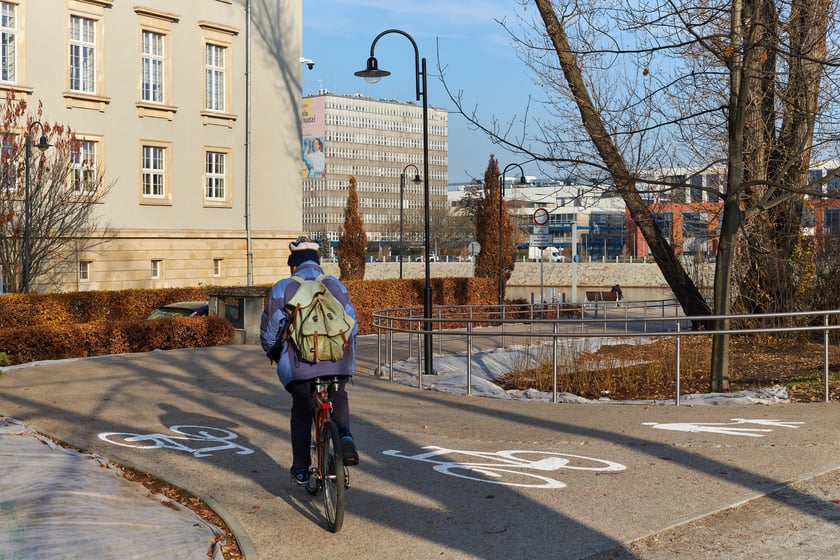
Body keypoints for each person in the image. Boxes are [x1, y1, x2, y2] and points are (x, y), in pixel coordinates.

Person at [260, 236, 359, 489]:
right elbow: (352, 324)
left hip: (300, 366)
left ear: (293, 265)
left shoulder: (283, 287)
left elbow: (272, 329)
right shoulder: (335, 285)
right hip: (338, 361)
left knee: (302, 410)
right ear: (318, 263)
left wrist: (273, 352)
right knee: (338, 394)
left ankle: (302, 469)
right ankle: (345, 435)